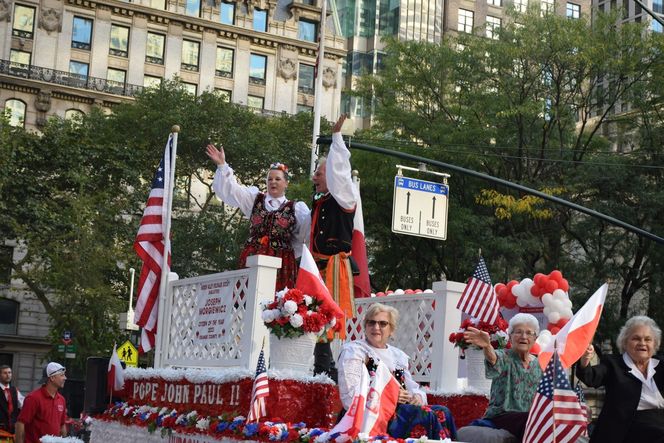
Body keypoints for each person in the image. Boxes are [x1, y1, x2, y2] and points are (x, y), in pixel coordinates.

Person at [337, 303, 457, 439]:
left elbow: (412, 388)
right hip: (370, 414)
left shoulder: (397, 356)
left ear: (391, 330)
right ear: (365, 326)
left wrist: (415, 397)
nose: (376, 327)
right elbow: (350, 396)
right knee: (424, 415)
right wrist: (391, 397)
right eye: (371, 323)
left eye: (383, 324)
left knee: (443, 412)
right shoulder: (355, 351)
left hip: (401, 410)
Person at [206, 143, 309, 291]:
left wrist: (289, 252)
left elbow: (304, 236)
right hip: (252, 259)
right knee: (248, 299)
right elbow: (232, 191)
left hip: (282, 263)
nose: (273, 182)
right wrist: (222, 165)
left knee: (277, 302)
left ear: (286, 183)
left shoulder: (297, 209)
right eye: (270, 179)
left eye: (277, 179)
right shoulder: (254, 199)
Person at [311, 114, 359, 378]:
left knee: (330, 316)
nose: (315, 177)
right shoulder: (318, 203)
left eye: (319, 172)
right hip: (316, 266)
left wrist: (337, 139)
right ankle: (323, 364)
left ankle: (329, 368)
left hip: (333, 266)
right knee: (315, 315)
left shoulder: (344, 195)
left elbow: (339, 173)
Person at [576, 315, 664, 442]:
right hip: (626, 430)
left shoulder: (661, 365)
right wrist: (585, 360)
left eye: (648, 339)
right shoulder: (613, 364)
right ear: (624, 342)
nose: (642, 343)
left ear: (655, 343)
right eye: (636, 338)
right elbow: (591, 376)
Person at [461, 313, 543, 441]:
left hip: (530, 417)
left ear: (535, 338)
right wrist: (487, 346)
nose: (523, 337)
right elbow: (493, 359)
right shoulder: (504, 356)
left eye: (529, 333)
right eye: (518, 332)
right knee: (530, 420)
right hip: (502, 416)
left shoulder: (540, 364)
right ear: (510, 336)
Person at [15, 362, 68, 443]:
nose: (65, 378)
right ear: (52, 378)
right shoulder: (33, 398)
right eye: (62, 375)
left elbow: (62, 425)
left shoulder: (62, 399)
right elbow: (20, 423)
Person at [0, 365, 24, 434]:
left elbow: (24, 405)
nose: (8, 375)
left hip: (13, 430)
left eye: (9, 372)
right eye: (5, 373)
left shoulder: (15, 391)